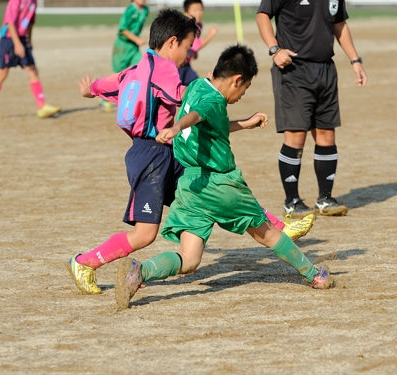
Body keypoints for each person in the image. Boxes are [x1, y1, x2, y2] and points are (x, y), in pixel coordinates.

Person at [67, 10, 314, 296]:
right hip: (151, 156)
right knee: (145, 234)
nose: (188, 54)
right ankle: (84, 263)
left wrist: (89, 90)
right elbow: (186, 98)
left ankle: (277, 227)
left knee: (211, 183)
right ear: (172, 43)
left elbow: (106, 84)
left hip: (168, 154)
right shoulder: (165, 69)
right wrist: (210, 86)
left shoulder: (135, 69)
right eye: (187, 47)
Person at [115, 44, 334, 310]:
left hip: (190, 186)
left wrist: (245, 122)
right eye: (245, 88)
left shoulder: (196, 86)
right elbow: (198, 116)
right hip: (220, 184)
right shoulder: (214, 100)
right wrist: (176, 127)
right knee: (268, 234)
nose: (242, 95)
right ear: (236, 79)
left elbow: (209, 123)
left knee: (189, 259)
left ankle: (141, 272)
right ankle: (315, 275)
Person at [255, 0, 367, 218]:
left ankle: (325, 199)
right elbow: (262, 15)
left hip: (325, 69)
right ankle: (292, 201)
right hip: (293, 70)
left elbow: (340, 24)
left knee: (326, 133)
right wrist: (274, 49)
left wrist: (355, 60)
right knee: (296, 135)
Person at [0, 0, 60, 120]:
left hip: (22, 39)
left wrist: (29, 40)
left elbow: (30, 23)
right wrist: (17, 44)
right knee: (3, 72)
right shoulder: (15, 1)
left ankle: (42, 106)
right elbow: (10, 23)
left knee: (32, 70)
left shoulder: (33, 2)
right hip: (9, 39)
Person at [100, 0, 150, 112]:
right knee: (117, 75)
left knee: (141, 69)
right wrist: (137, 39)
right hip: (122, 46)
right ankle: (103, 98)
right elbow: (123, 29)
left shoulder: (145, 10)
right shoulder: (130, 10)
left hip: (133, 47)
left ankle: (135, 98)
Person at [179, 0, 219, 86]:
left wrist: (193, 52)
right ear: (186, 13)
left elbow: (192, 44)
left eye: (200, 10)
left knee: (195, 85)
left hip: (186, 64)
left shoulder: (199, 25)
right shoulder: (185, 25)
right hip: (177, 65)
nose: (198, 13)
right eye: (195, 10)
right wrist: (211, 34)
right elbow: (196, 45)